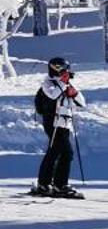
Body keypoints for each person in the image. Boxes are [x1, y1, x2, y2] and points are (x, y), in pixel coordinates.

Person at [31, 57, 85, 200]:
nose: (62, 71)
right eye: (59, 68)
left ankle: (46, 183)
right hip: (53, 122)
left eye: (64, 68)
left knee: (54, 152)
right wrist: (63, 83)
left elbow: (82, 102)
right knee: (66, 153)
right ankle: (59, 184)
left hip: (64, 123)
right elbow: (53, 95)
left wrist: (73, 92)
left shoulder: (65, 84)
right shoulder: (47, 83)